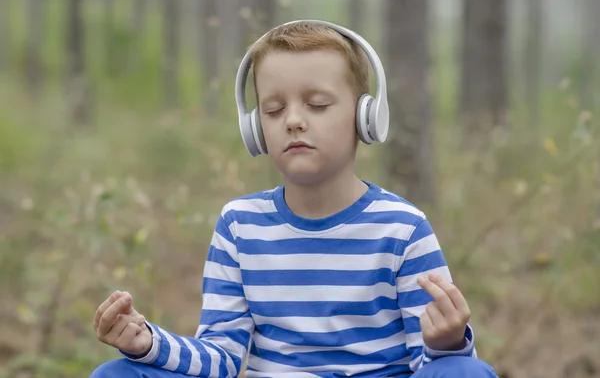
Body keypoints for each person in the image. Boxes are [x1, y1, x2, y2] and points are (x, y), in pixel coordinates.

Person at [90, 20, 498, 378]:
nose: (294, 120)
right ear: (254, 128)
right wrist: (147, 343)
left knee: (465, 370)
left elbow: (435, 367)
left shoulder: (403, 228)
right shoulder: (239, 225)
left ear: (366, 118)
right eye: (273, 109)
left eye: (317, 104)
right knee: (120, 372)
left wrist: (447, 343)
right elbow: (224, 358)